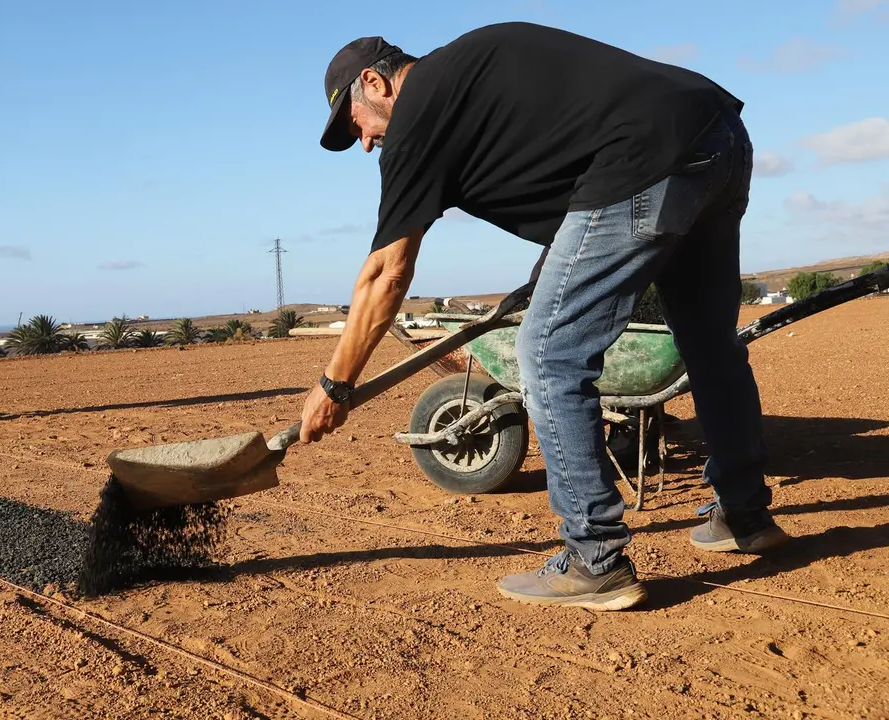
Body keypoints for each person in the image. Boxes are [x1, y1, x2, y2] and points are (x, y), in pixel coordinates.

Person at [298, 22, 787, 611]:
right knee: (709, 343)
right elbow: (569, 162)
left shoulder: (419, 113)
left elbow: (386, 274)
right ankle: (743, 513)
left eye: (358, 126)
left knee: (549, 353)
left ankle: (594, 558)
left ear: (374, 82)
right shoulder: (473, 66)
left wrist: (335, 383)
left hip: (643, 161)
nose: (368, 143)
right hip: (719, 139)